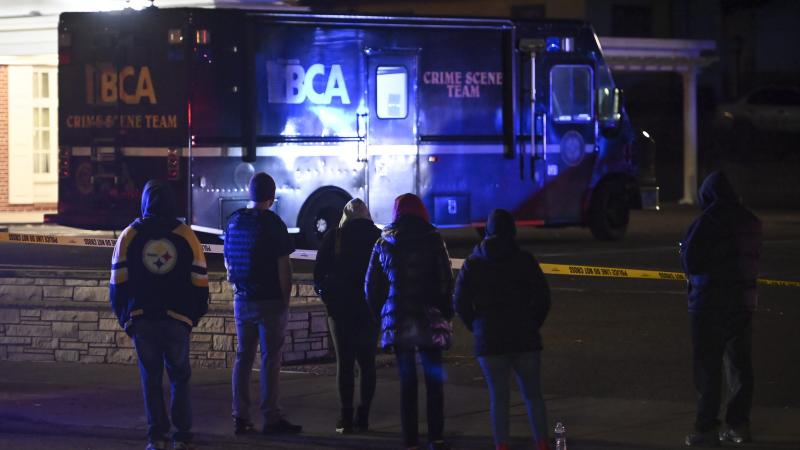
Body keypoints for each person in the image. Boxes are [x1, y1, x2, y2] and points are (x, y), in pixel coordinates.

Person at [109, 179, 209, 450]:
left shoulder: (130, 235)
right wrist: (191, 319)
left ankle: (157, 438)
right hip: (178, 321)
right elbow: (200, 283)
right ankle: (182, 437)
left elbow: (117, 284)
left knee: (150, 379)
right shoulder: (186, 235)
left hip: (143, 320)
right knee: (180, 378)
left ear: (144, 201)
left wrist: (126, 320)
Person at [453, 209, 552, 450]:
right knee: (533, 396)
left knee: (499, 399)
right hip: (525, 338)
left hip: (489, 340)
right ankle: (542, 443)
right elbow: (543, 298)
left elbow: (460, 302)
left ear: (487, 230)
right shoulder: (525, 260)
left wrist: (477, 326)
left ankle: (502, 445)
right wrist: (532, 323)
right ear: (512, 230)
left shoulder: (473, 263)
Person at [365, 193, 454, 450]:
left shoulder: (384, 241)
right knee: (434, 381)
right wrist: (445, 312)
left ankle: (410, 440)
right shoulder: (433, 239)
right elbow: (445, 280)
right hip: (429, 316)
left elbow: (371, 286)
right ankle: (436, 437)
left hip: (399, 318)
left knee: (407, 382)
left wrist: (382, 315)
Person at [681, 171, 762, 447]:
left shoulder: (708, 221)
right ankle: (739, 425)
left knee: (708, 368)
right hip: (744, 302)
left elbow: (691, 259)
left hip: (709, 304)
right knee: (740, 365)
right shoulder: (751, 221)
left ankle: (706, 429)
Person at [223, 172, 302, 436]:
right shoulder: (273, 223)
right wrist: (285, 301)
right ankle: (271, 417)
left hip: (242, 298)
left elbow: (228, 261)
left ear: (250, 192)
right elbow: (284, 268)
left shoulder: (234, 221)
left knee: (243, 358)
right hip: (269, 301)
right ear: (272, 196)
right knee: (270, 359)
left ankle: (240, 416)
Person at [313, 198, 382, 434]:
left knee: (345, 363)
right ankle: (363, 416)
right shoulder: (378, 237)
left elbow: (319, 274)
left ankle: (345, 417)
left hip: (340, 309)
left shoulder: (335, 236)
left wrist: (326, 296)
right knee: (367, 363)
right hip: (369, 310)